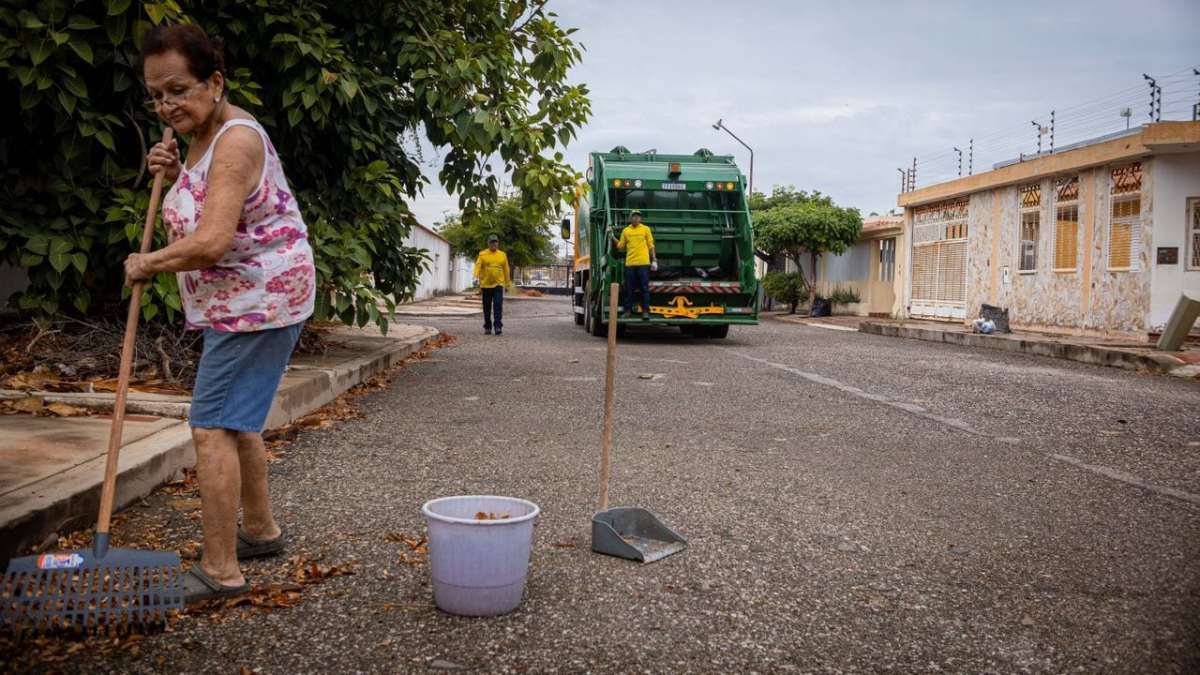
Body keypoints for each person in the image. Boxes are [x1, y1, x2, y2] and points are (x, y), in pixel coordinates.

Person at [124, 24, 315, 603]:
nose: (166, 104)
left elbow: (210, 241)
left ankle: (221, 570)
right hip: (249, 299)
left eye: (177, 89)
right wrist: (177, 172)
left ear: (215, 81)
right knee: (238, 422)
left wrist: (146, 262)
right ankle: (259, 532)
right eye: (156, 95)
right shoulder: (203, 135)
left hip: (257, 302)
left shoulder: (234, 142)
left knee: (211, 427)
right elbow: (213, 204)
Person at [613, 210, 657, 319]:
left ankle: (645, 312)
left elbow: (651, 245)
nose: (636, 218)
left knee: (644, 289)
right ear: (630, 218)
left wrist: (654, 259)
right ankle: (628, 311)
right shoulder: (626, 231)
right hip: (630, 264)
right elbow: (620, 246)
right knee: (629, 288)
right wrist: (612, 237)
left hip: (643, 264)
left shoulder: (645, 229)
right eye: (634, 216)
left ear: (640, 219)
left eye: (638, 217)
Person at [473, 234, 511, 335]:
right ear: (488, 243)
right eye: (492, 242)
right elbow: (477, 266)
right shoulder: (482, 254)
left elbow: (506, 270)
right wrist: (475, 277)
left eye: (495, 242)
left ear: (498, 243)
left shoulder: (502, 255)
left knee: (498, 306)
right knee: (486, 307)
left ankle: (498, 326)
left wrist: (507, 283)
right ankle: (488, 327)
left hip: (498, 284)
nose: (494, 244)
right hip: (485, 285)